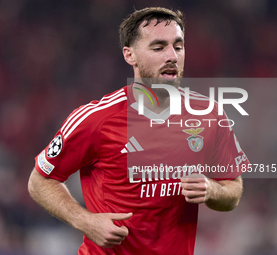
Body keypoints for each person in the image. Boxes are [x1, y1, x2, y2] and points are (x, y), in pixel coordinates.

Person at [28, 7, 249, 255]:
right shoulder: (95, 119)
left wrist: (212, 190)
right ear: (129, 55)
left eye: (178, 46)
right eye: (158, 47)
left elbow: (233, 189)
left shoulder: (209, 114)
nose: (172, 56)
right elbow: (40, 180)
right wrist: (86, 221)